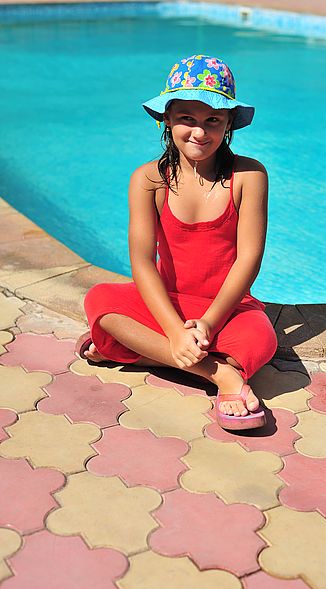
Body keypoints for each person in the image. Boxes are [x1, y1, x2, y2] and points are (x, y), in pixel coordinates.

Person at [76, 54, 278, 430]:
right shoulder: (148, 180)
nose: (199, 132)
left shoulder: (249, 175)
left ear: (229, 122)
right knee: (100, 299)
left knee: (260, 338)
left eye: (212, 120)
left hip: (227, 307)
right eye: (187, 119)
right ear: (167, 119)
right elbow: (142, 263)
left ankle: (136, 352)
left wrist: (209, 324)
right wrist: (174, 330)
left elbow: (249, 258)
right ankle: (220, 375)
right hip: (167, 303)